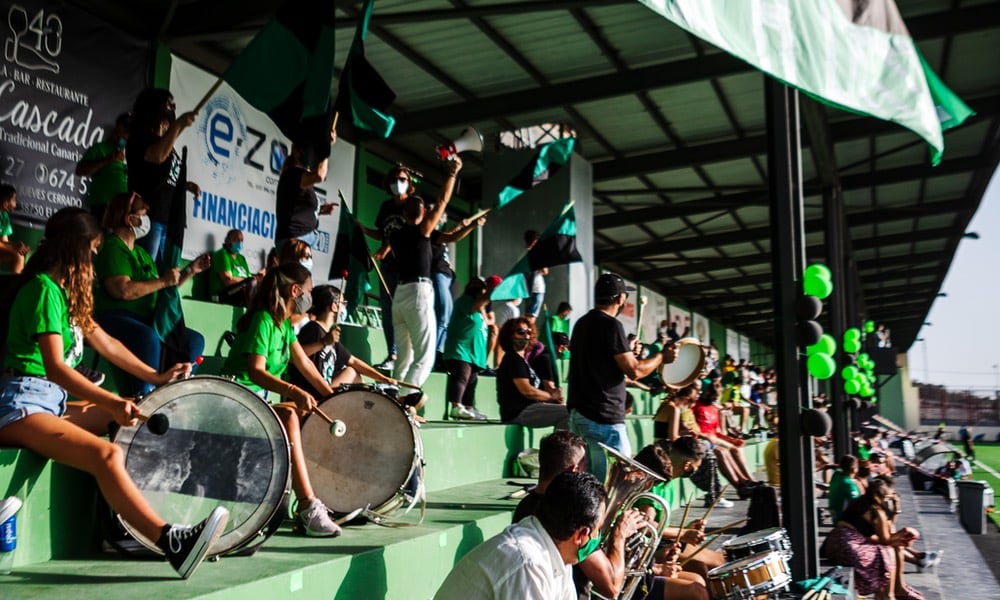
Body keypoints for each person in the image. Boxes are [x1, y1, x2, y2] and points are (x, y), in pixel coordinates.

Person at [0, 207, 228, 579]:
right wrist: (111, 400)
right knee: (106, 453)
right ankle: (171, 542)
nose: (93, 261)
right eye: (91, 251)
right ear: (75, 249)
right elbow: (57, 368)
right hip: (19, 405)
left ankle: (123, 526)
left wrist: (155, 376)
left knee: (129, 419)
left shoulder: (63, 294)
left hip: (47, 402)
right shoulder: (42, 289)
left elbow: (107, 343)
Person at [221, 262, 343, 537]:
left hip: (256, 402)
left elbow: (307, 366)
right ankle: (307, 507)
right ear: (295, 290)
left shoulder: (284, 326)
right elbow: (255, 371)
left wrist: (333, 397)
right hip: (234, 399)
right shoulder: (263, 320)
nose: (310, 298)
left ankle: (306, 499)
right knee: (289, 414)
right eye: (309, 291)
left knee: (298, 415)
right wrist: (294, 391)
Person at [93, 192, 208, 397]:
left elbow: (163, 287)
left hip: (149, 319)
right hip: (115, 316)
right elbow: (123, 290)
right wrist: (163, 280)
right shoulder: (112, 247)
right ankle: (145, 395)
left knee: (194, 341)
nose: (147, 218)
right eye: (143, 213)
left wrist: (190, 271)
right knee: (148, 337)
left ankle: (176, 394)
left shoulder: (141, 252)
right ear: (130, 219)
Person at [568, 273, 676, 482]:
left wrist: (628, 351)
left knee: (589, 483)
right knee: (616, 483)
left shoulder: (581, 323)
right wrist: (662, 356)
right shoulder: (611, 325)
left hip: (580, 413)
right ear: (620, 299)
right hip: (603, 416)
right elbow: (634, 371)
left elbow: (602, 362)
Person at [434, 471, 608, 600]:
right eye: (597, 529)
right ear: (582, 535)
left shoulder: (559, 555)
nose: (598, 536)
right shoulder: (527, 562)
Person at [387, 158, 463, 391]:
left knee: (404, 358)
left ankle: (393, 399)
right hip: (418, 294)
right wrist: (452, 173)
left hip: (399, 295)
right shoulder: (423, 230)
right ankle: (405, 399)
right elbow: (442, 200)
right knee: (425, 357)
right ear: (422, 212)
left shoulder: (396, 235)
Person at [127, 88, 201, 268]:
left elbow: (164, 178)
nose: (172, 108)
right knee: (147, 271)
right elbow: (157, 157)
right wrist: (178, 125)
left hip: (169, 218)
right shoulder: (140, 137)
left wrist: (184, 185)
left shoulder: (164, 141)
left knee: (165, 276)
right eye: (168, 104)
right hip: (150, 216)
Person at [823, 478, 924, 600]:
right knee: (887, 552)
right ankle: (887, 595)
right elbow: (886, 539)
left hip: (834, 544)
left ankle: (896, 590)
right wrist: (904, 532)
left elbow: (874, 534)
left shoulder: (858, 502)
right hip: (849, 548)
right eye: (888, 498)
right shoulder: (876, 511)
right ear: (880, 496)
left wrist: (898, 538)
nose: (889, 500)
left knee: (893, 548)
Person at [286, 285, 396, 395]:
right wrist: (323, 343)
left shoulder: (331, 336)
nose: (344, 308)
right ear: (334, 306)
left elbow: (353, 361)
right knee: (352, 373)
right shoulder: (313, 328)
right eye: (343, 304)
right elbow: (296, 356)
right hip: (311, 392)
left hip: (324, 390)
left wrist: (383, 378)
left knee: (353, 374)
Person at [363, 165, 415, 371]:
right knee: (387, 309)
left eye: (402, 179)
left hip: (406, 266)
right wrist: (363, 229)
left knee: (402, 311)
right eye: (394, 179)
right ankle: (392, 353)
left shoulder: (412, 205)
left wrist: (388, 247)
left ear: (409, 183)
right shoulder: (386, 207)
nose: (398, 183)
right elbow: (381, 232)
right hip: (387, 266)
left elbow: (407, 233)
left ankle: (406, 354)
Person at [652, 384, 732, 509]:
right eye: (693, 401)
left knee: (706, 454)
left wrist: (687, 433)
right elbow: (673, 437)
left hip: (662, 445)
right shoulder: (674, 409)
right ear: (687, 399)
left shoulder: (669, 405)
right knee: (707, 456)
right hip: (665, 447)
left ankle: (714, 494)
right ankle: (713, 496)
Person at [432, 211, 486, 370]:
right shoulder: (429, 234)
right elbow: (452, 236)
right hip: (438, 275)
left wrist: (461, 225)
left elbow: (449, 234)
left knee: (446, 318)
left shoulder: (438, 235)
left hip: (447, 277)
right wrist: (472, 226)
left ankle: (437, 353)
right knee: (443, 317)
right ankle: (434, 354)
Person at [497, 317, 570, 429]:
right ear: (510, 336)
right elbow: (527, 391)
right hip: (519, 411)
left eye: (528, 332)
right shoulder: (513, 359)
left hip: (530, 408)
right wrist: (551, 396)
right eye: (521, 332)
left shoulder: (523, 360)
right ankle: (559, 446)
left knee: (570, 412)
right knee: (568, 412)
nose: (526, 336)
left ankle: (560, 443)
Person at [443, 277, 494, 420]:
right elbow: (479, 303)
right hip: (461, 349)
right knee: (461, 377)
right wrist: (491, 291)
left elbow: (489, 323)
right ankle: (456, 406)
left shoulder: (480, 309)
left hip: (474, 352)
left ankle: (468, 407)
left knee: (471, 381)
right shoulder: (465, 301)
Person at [274, 142, 335, 251]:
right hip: (295, 240)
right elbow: (320, 176)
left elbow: (296, 207)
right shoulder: (293, 174)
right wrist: (326, 146)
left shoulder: (296, 175)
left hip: (300, 239)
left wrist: (319, 210)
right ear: (297, 153)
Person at [75, 112, 130, 224]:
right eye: (125, 129)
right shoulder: (100, 148)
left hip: (125, 209)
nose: (126, 134)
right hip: (102, 207)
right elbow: (80, 170)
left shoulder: (133, 153)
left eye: (130, 131)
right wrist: (108, 159)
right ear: (117, 128)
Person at [210, 229, 260, 305]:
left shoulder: (241, 258)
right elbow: (228, 281)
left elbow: (249, 278)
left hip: (240, 293)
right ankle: (250, 313)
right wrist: (250, 280)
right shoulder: (222, 254)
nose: (239, 242)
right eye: (236, 239)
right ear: (227, 240)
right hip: (221, 295)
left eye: (241, 240)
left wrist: (259, 277)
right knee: (251, 281)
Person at [0, 184, 29, 274]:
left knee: (20, 254)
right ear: (5, 203)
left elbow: (4, 242)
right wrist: (13, 246)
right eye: (14, 200)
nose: (15, 205)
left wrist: (17, 247)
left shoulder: (4, 216)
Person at [828, 455, 863, 523]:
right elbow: (857, 504)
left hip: (834, 514)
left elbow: (838, 468)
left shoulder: (836, 475)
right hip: (844, 518)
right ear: (854, 470)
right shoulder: (850, 485)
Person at [523, 230, 547, 323]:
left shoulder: (526, 252)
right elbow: (545, 270)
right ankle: (529, 335)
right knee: (531, 317)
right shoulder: (534, 253)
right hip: (536, 288)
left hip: (528, 287)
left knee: (528, 315)